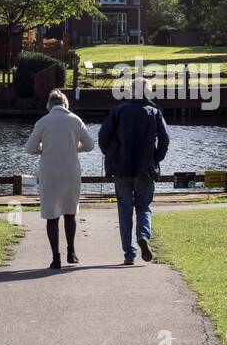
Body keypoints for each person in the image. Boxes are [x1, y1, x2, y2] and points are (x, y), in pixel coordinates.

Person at [98, 76, 170, 264]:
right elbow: (165, 140)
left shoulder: (118, 111)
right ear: (148, 92)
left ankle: (129, 254)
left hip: (121, 168)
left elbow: (102, 137)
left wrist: (111, 154)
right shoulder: (155, 112)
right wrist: (155, 158)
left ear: (131, 91)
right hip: (145, 169)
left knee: (124, 210)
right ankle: (143, 235)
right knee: (144, 207)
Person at [25, 89, 96, 269]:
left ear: (49, 104)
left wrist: (44, 148)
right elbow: (89, 145)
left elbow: (30, 148)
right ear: (65, 103)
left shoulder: (43, 121)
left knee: (52, 216)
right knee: (70, 212)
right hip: (71, 171)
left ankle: (56, 258)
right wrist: (73, 147)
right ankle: (71, 252)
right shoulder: (75, 120)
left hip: (49, 173)